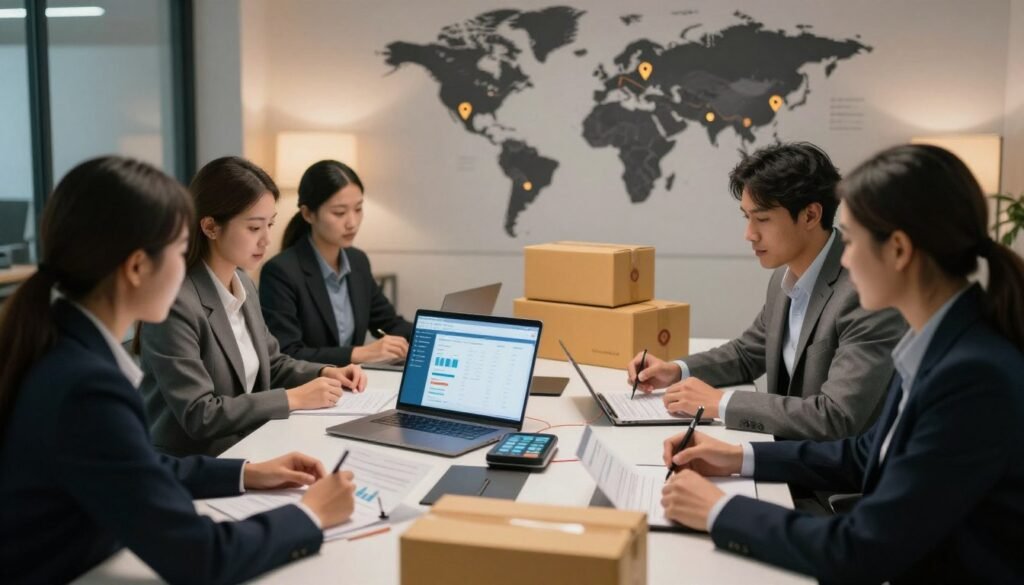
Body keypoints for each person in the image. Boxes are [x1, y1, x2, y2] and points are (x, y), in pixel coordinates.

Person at [659, 144, 1024, 583]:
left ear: (899, 250)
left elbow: (862, 549)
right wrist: (737, 457)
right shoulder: (939, 343)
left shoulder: (973, 375)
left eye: (850, 241)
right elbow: (863, 453)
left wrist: (719, 511)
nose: (844, 258)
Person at [0, 157, 357, 584]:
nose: (187, 265)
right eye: (179, 249)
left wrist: (247, 473)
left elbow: (137, 466)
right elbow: (201, 557)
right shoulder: (86, 386)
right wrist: (309, 516)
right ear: (136, 267)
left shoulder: (62, 345)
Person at [628, 142, 906, 440]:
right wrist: (676, 370)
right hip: (786, 455)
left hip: (830, 478)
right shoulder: (783, 278)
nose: (749, 234)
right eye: (746, 217)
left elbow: (836, 417)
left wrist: (721, 403)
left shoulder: (865, 294)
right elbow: (749, 352)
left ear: (811, 216)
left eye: (762, 219)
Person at [139, 156, 367, 457]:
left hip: (248, 446)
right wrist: (292, 399)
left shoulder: (242, 282)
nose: (267, 240)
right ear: (210, 227)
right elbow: (200, 414)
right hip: (192, 465)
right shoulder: (174, 302)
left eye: (270, 225)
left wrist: (325, 372)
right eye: (254, 228)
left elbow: (273, 363)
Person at [260, 159, 413, 366]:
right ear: (308, 214)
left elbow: (389, 323)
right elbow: (287, 354)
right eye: (339, 213)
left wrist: (435, 337)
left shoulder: (357, 261)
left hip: (354, 387)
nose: (352, 222)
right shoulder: (280, 272)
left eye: (358, 209)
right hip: (310, 390)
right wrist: (359, 354)